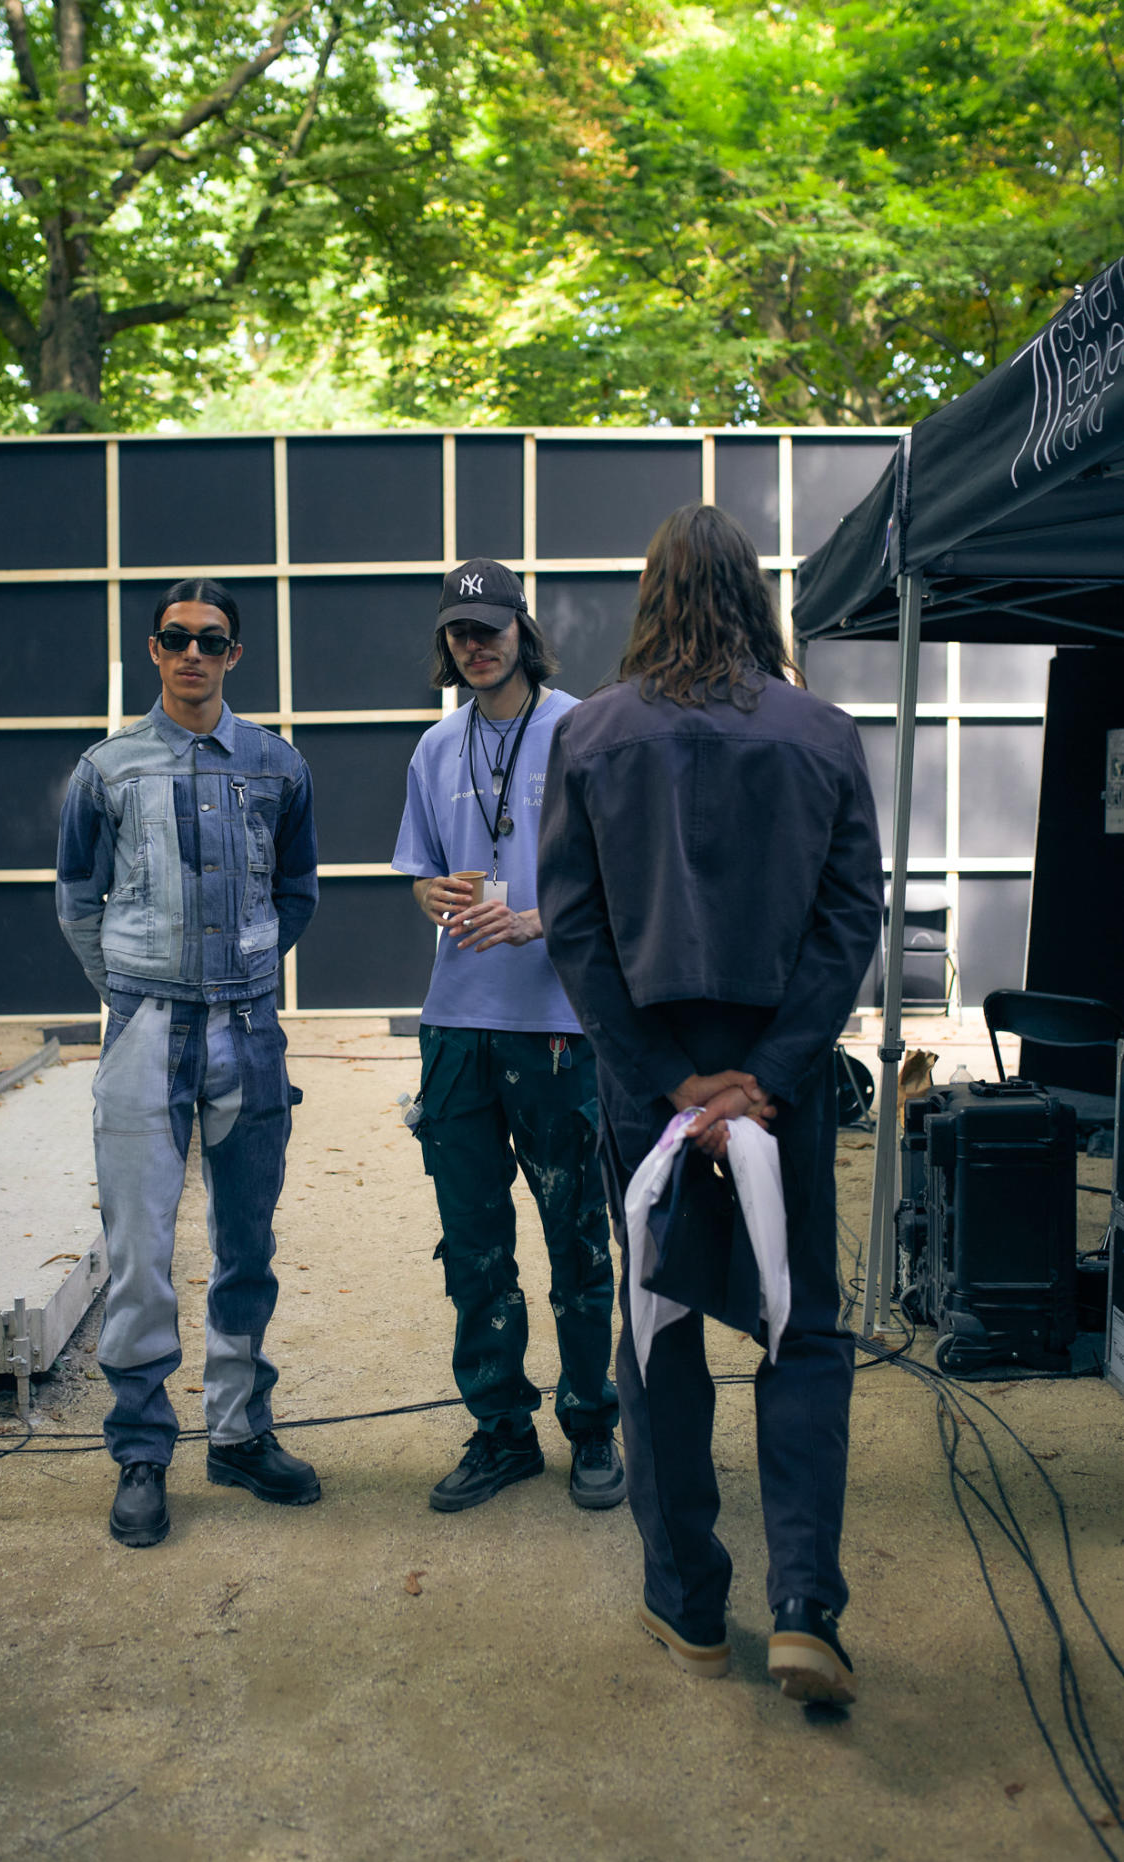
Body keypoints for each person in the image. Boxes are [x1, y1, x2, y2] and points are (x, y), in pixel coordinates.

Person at [537, 504, 883, 1703]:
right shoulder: (825, 734)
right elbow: (851, 924)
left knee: (663, 1327)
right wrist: (771, 1073)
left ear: (651, 595)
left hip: (657, 1087)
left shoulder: (587, 734)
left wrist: (667, 1076)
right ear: (757, 597)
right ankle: (804, 1608)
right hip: (777, 1082)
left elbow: (575, 930)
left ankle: (689, 1605)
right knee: (804, 1332)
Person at [56, 578, 321, 1548]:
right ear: (155, 650)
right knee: (140, 1252)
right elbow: (76, 896)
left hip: (247, 1034)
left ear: (235, 654)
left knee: (247, 1244)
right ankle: (140, 1450)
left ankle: (241, 1429)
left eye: (211, 639)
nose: (192, 653)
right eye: (175, 638)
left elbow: (298, 890)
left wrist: (245, 966)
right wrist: (134, 983)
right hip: (143, 1031)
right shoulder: (108, 769)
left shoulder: (278, 766)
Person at [392, 557, 624, 1513]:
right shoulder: (434, 748)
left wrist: (537, 920)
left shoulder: (581, 728)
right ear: (445, 644)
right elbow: (418, 871)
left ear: (523, 632)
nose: (475, 644)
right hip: (456, 1028)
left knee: (576, 1235)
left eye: (490, 628)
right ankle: (501, 1430)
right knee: (474, 1241)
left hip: (558, 1025)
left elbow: (619, 874)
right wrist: (432, 893)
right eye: (459, 631)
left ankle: (593, 1426)